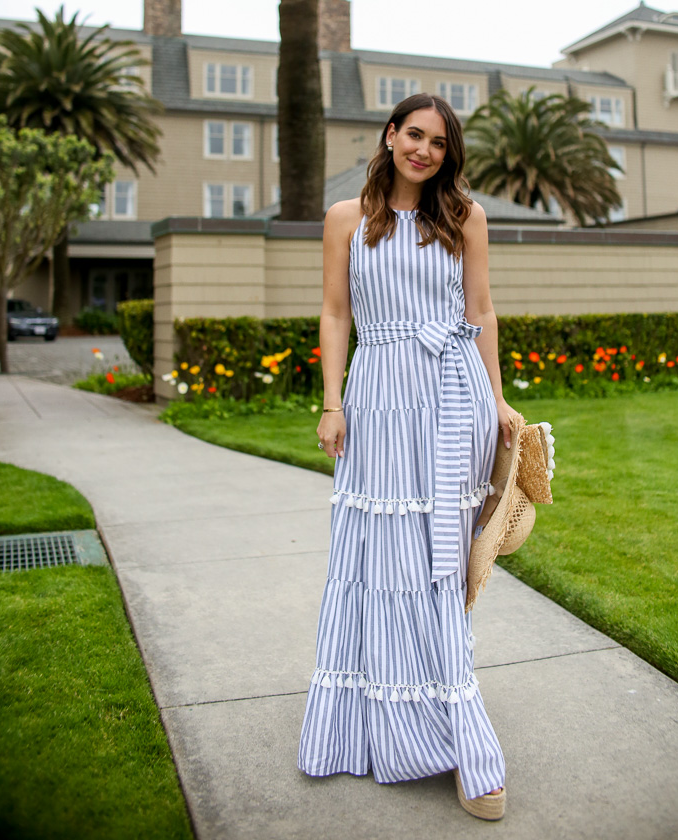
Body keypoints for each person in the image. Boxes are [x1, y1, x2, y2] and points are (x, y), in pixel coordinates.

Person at [297, 93, 517, 820]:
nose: (424, 149)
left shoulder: (465, 218)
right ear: (391, 136)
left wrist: (500, 401)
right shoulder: (343, 221)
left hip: (453, 401)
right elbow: (336, 313)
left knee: (439, 566)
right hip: (378, 395)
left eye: (438, 142)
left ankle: (459, 733)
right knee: (377, 559)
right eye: (413, 134)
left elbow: (479, 312)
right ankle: (375, 720)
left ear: (449, 154)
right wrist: (333, 402)